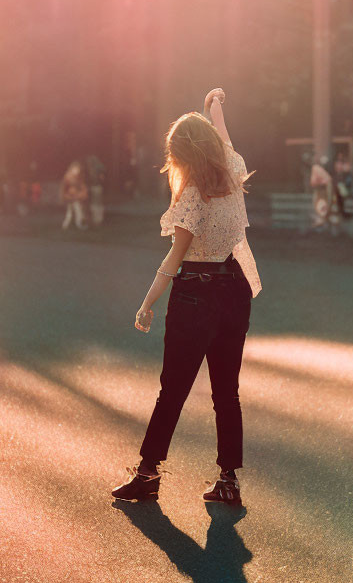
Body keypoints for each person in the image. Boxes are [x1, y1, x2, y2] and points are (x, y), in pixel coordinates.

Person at [112, 87, 261, 506]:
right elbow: (225, 140)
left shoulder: (194, 194)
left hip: (195, 295)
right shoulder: (232, 169)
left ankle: (147, 475)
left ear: (181, 155)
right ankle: (228, 481)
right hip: (235, 290)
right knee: (226, 392)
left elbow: (172, 260)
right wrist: (214, 108)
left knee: (173, 389)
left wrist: (147, 304)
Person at [60, 160, 89, 229]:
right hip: (70, 197)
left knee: (77, 210)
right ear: (72, 168)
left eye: (78, 169)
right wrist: (65, 195)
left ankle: (76, 224)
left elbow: (82, 186)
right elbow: (64, 187)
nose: (77, 171)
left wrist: (82, 194)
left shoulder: (79, 177)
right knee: (70, 212)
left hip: (76, 197)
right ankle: (67, 225)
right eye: (75, 169)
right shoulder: (68, 177)